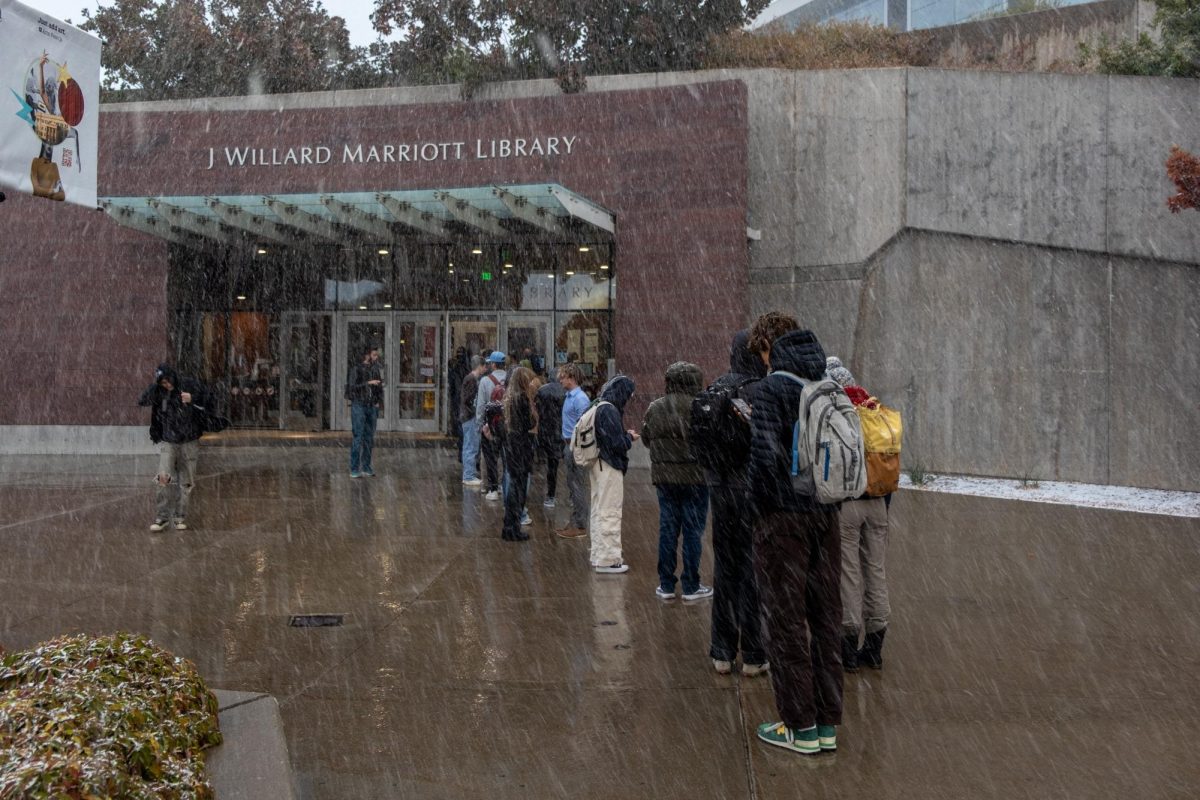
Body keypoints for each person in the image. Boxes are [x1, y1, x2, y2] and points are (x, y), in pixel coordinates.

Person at [747, 312, 843, 756]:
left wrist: (757, 511)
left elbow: (765, 463)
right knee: (825, 618)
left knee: (785, 621)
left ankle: (798, 726)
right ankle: (827, 725)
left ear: (770, 345)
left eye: (761, 351)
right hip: (826, 513)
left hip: (783, 519)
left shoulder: (769, 390)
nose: (761, 360)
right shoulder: (825, 385)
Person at [706, 330, 770, 677]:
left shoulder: (715, 387)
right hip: (750, 490)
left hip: (720, 488)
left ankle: (722, 650)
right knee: (752, 571)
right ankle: (755, 653)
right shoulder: (759, 390)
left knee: (725, 570)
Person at [826, 356, 891, 673]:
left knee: (848, 575)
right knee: (875, 572)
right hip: (878, 502)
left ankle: (847, 649)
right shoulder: (873, 407)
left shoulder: (837, 411)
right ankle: (876, 647)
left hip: (848, 502)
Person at [641, 361, 712, 602]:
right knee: (693, 531)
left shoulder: (656, 407)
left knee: (667, 529)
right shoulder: (702, 407)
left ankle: (666, 584)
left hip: (665, 480)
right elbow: (710, 441)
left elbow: (646, 438)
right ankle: (691, 585)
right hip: (696, 479)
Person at [138, 364, 212, 531]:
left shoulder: (189, 385)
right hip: (169, 441)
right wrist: (156, 387)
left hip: (189, 441)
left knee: (186, 482)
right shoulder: (160, 392)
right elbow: (142, 400)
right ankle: (161, 517)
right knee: (163, 478)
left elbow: (210, 401)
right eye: (163, 383)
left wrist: (193, 399)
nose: (167, 385)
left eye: (168, 381)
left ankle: (180, 517)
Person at [590, 375, 637, 574]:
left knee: (598, 509)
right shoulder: (609, 410)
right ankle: (609, 560)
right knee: (610, 510)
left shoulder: (599, 405)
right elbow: (616, 443)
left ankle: (599, 554)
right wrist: (629, 438)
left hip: (597, 463)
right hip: (609, 465)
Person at [501, 367, 539, 541]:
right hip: (521, 447)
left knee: (513, 487)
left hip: (512, 446)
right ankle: (513, 527)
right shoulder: (522, 399)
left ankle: (510, 526)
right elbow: (530, 423)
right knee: (519, 489)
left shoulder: (509, 398)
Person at [556, 363, 591, 539]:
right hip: (568, 444)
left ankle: (580, 524)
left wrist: (576, 447)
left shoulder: (580, 399)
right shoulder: (570, 396)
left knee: (577, 485)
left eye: (563, 376)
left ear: (571, 378)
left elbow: (584, 426)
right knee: (573, 484)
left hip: (574, 446)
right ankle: (576, 520)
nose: (560, 379)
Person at [346, 345, 383, 478]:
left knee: (369, 438)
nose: (376, 357)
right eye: (374, 355)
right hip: (359, 406)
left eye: (376, 355)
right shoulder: (356, 369)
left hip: (371, 406)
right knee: (358, 436)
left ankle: (366, 466)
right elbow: (351, 389)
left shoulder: (375, 369)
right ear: (367, 356)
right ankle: (354, 468)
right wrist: (368, 383)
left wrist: (378, 401)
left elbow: (379, 386)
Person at [475, 351, 508, 500]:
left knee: (490, 457)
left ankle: (492, 488)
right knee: (505, 455)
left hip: (491, 424)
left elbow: (481, 406)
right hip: (507, 424)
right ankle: (504, 485)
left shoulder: (485, 381)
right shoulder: (511, 378)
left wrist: (480, 424)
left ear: (493, 364)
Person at [535, 374, 566, 509]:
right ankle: (566, 496)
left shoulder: (542, 391)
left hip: (545, 431)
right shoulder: (565, 392)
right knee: (560, 465)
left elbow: (538, 410)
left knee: (549, 464)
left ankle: (550, 495)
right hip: (561, 431)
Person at [460, 356, 486, 488]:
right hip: (470, 417)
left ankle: (469, 473)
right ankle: (468, 475)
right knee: (471, 446)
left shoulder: (470, 379)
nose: (485, 369)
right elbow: (468, 399)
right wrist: (475, 411)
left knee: (470, 445)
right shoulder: (471, 379)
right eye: (484, 366)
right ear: (479, 366)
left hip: (468, 416)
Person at [447, 347, 469, 454]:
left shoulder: (456, 368)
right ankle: (462, 445)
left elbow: (453, 384)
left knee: (460, 422)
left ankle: (461, 445)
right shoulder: (466, 367)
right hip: (464, 398)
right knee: (463, 422)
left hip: (458, 398)